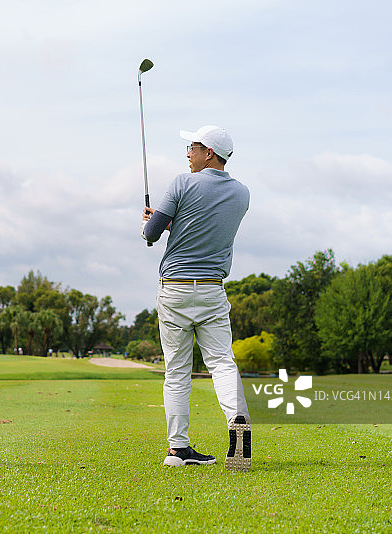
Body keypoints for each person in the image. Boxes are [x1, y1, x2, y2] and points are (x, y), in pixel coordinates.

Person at [141, 125, 251, 471]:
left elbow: (150, 233)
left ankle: (177, 449)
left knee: (176, 371)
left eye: (192, 147)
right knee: (221, 363)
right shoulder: (242, 194)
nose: (187, 153)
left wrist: (153, 223)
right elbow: (202, 228)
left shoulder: (181, 183)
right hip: (211, 290)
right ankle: (239, 435)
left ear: (209, 153)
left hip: (173, 289)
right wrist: (174, 225)